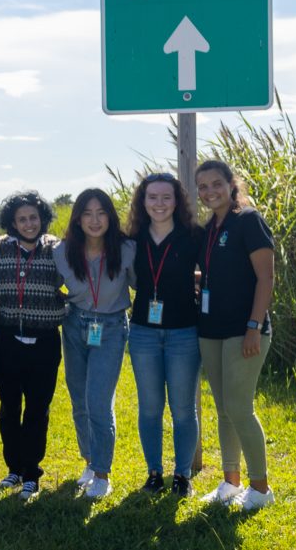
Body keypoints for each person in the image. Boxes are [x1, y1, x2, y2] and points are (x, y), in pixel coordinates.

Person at [195, 159, 276, 510]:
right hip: (211, 329)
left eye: (216, 183)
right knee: (224, 410)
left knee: (240, 408)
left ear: (231, 184)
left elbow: (266, 278)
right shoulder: (209, 228)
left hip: (245, 330)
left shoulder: (248, 220)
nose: (209, 191)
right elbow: (217, 272)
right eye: (203, 186)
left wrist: (254, 327)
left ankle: (261, 489)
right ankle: (231, 483)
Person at [125, 173, 204, 497]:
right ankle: (154, 473)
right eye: (152, 197)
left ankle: (182, 475)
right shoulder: (132, 239)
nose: (159, 203)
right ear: (143, 201)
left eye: (166, 197)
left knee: (183, 409)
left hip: (184, 333)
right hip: (143, 333)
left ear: (177, 200)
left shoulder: (193, 236)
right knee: (150, 408)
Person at [55, 188, 135, 500]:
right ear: (77, 219)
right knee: (79, 400)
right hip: (75, 324)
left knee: (98, 402)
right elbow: (49, 284)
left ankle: (102, 474)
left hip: (111, 327)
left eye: (101, 213)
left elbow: (145, 282)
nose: (95, 220)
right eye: (87, 213)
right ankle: (89, 461)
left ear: (110, 217)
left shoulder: (126, 249)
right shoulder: (62, 251)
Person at [0, 190, 66, 501]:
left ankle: (32, 473)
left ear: (42, 218)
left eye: (33, 217)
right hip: (6, 340)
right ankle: (14, 468)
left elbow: (77, 278)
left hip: (44, 341)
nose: (28, 223)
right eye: (21, 219)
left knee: (37, 409)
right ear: (12, 222)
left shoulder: (56, 249)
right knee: (9, 409)